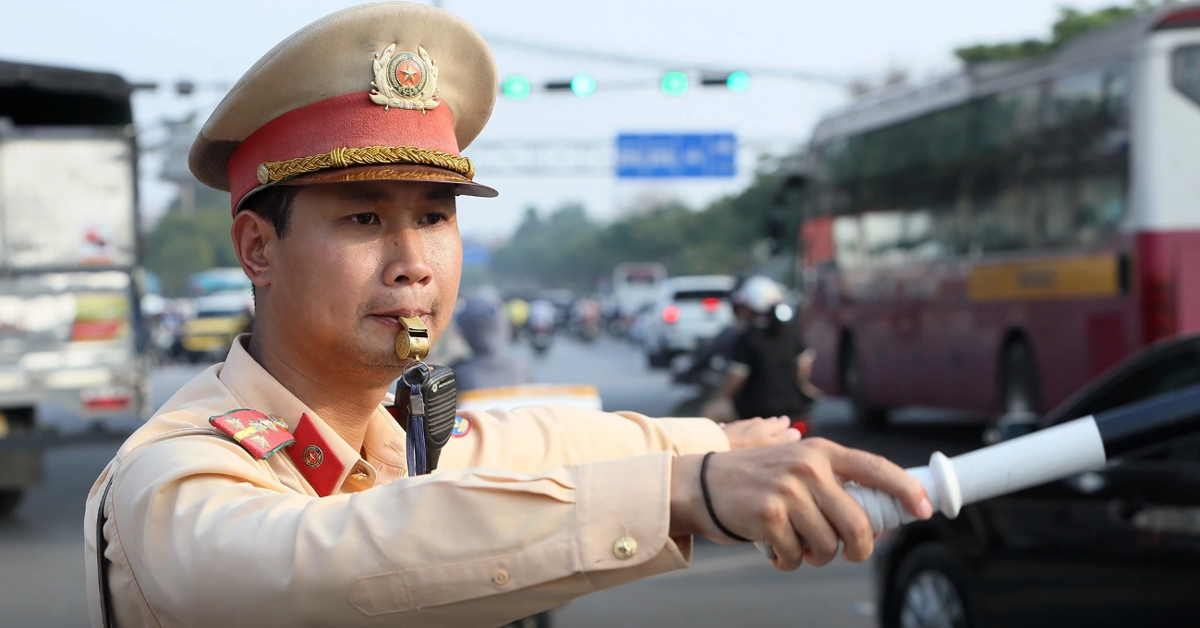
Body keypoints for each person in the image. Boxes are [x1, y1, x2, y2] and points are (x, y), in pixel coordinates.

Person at [82, 5, 932, 628]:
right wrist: (687, 489)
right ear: (257, 249)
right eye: (363, 218)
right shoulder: (173, 473)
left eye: (435, 216)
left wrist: (728, 450)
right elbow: (328, 551)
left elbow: (538, 445)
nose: (414, 260)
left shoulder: (408, 437)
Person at [715, 276, 817, 425]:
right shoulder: (793, 332)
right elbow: (804, 368)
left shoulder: (747, 338)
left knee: (712, 413)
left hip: (754, 409)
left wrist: (721, 397)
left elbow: (736, 377)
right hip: (795, 405)